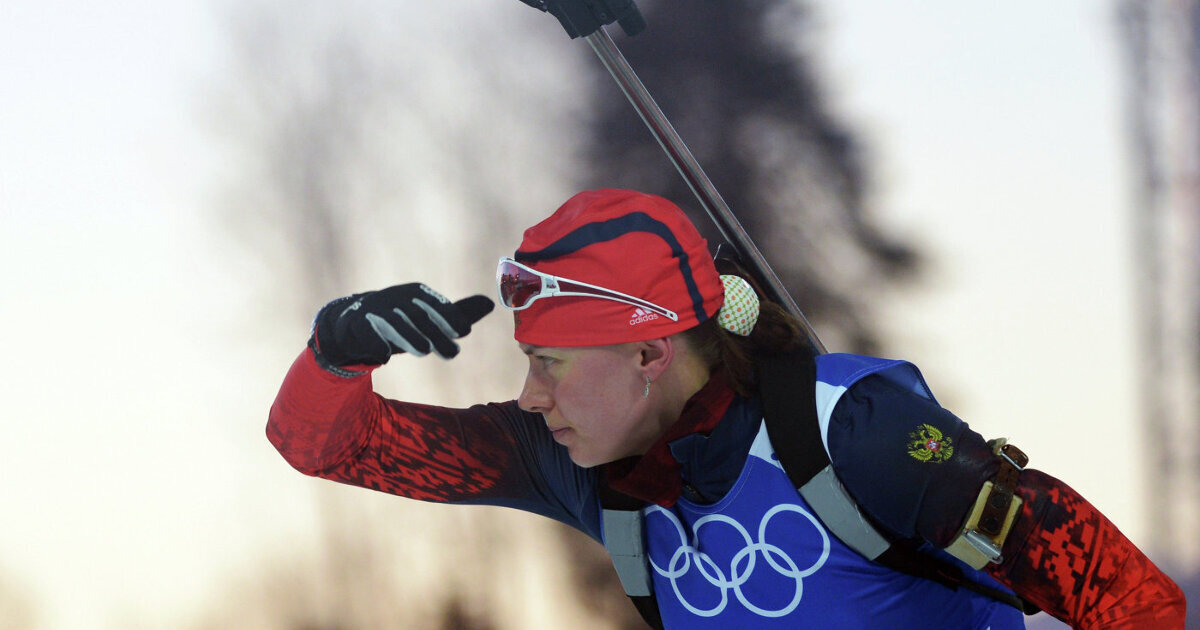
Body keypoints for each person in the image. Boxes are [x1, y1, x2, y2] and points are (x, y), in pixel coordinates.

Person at [268, 188, 1186, 629]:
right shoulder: (579, 460)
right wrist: (337, 355)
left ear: (648, 352)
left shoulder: (856, 438)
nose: (528, 396)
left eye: (548, 363)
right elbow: (329, 449)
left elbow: (1127, 597)